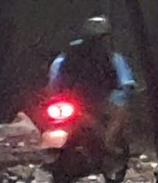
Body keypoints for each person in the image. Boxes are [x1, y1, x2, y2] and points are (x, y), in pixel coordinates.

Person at [48, 16, 137, 146]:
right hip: (94, 102)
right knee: (120, 113)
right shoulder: (112, 58)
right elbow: (125, 84)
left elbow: (53, 82)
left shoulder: (65, 57)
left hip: (70, 102)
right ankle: (107, 144)